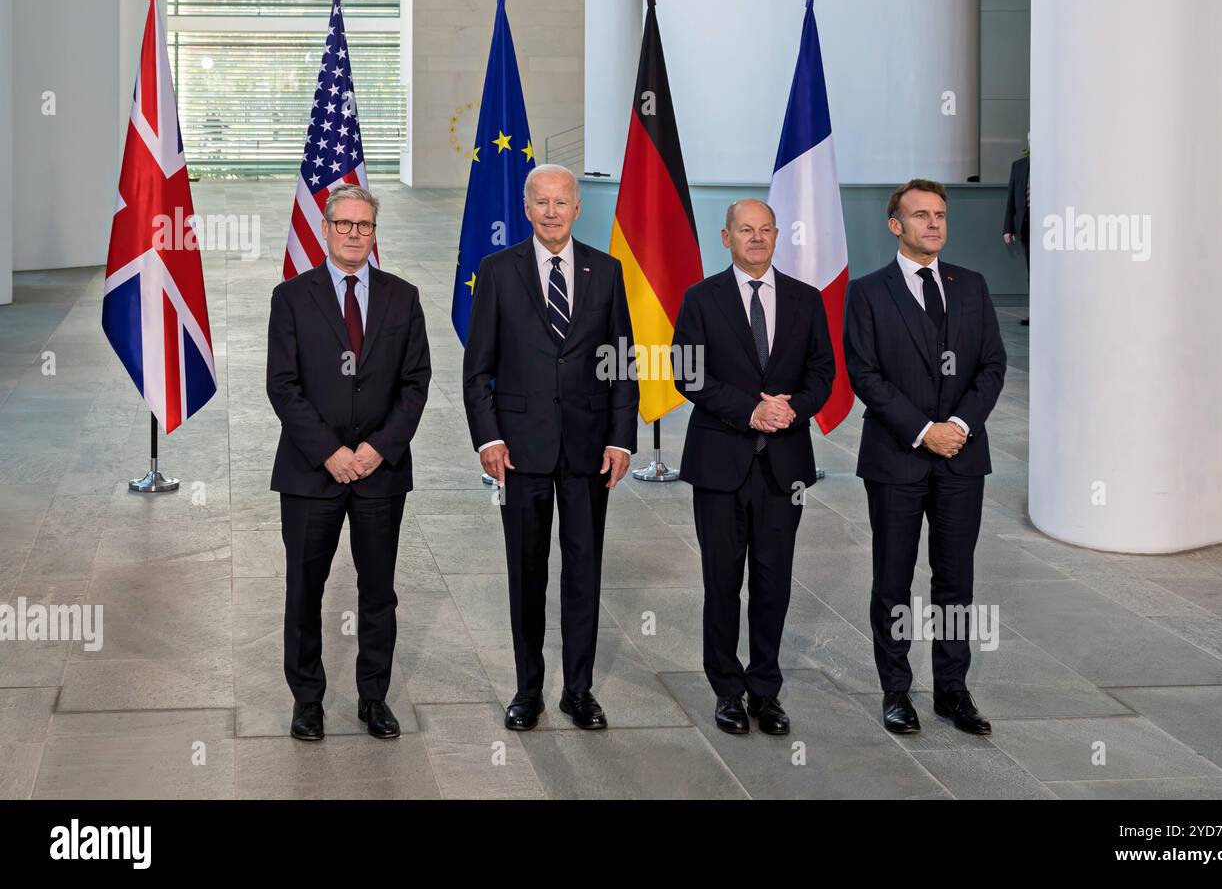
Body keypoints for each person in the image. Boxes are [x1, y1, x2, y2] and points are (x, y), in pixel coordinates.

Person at [462, 164, 638, 731]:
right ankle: (528, 689)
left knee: (584, 571)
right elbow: (478, 368)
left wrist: (621, 439)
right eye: (542, 202)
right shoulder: (496, 271)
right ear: (527, 206)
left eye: (562, 202)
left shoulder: (606, 272)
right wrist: (489, 436)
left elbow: (622, 364)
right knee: (526, 571)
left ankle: (579, 691)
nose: (552, 212)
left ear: (578, 208)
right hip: (520, 449)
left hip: (590, 451)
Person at [267, 185, 431, 742]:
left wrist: (377, 449)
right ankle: (307, 700)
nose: (354, 234)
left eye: (364, 225)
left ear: (374, 233)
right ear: (326, 229)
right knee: (304, 588)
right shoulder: (290, 297)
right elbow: (283, 387)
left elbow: (415, 385)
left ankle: (374, 698)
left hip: (379, 473)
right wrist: (330, 452)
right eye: (344, 225)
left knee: (378, 590)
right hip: (312, 473)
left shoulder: (402, 298)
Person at [844, 179, 1006, 736]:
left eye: (939, 214)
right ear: (896, 225)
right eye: (920, 216)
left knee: (955, 580)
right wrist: (922, 431)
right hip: (896, 458)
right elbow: (866, 375)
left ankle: (952, 691)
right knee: (892, 578)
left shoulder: (972, 286)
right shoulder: (868, 292)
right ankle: (896, 691)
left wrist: (957, 426)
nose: (933, 224)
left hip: (962, 457)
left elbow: (991, 366)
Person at [671, 198, 835, 735]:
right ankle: (726, 689)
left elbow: (822, 372)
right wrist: (750, 409)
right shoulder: (701, 298)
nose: (757, 238)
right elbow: (687, 373)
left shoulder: (806, 300)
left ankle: (765, 689)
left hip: (783, 466)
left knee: (773, 583)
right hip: (719, 462)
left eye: (766, 229)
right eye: (746, 230)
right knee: (722, 583)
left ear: (776, 235)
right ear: (726, 237)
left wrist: (790, 409)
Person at [1001, 146, 1030, 325]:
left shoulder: (1054, 165)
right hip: (1026, 226)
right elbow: (1011, 198)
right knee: (1032, 271)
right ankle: (1035, 312)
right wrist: (1008, 228)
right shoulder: (1019, 166)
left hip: (1052, 223)